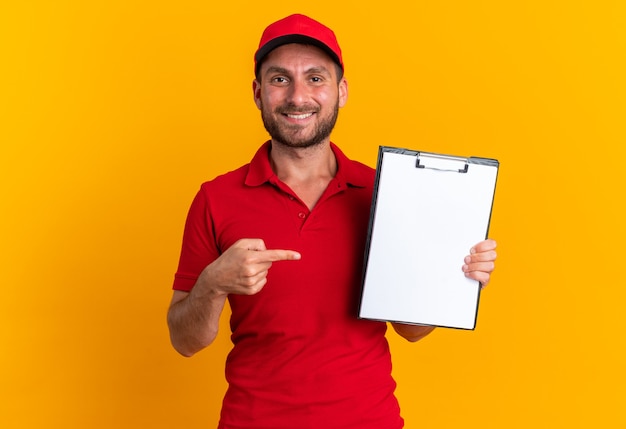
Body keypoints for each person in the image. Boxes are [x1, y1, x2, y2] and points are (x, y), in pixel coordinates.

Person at [167, 13, 497, 429]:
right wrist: (213, 283)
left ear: (341, 92)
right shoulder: (216, 198)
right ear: (257, 92)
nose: (298, 96)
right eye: (280, 79)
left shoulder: (384, 191)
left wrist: (456, 277)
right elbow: (184, 341)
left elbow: (412, 330)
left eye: (316, 78)